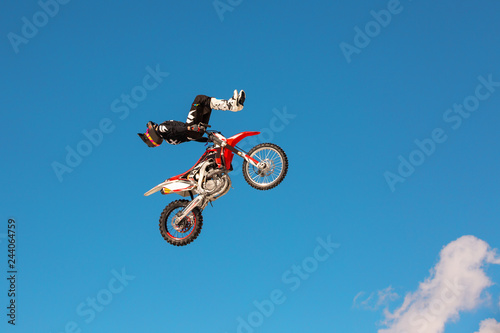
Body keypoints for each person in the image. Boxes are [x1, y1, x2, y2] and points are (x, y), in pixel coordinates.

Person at [138, 90, 245, 147]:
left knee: (206, 105)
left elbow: (191, 139)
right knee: (199, 99)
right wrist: (190, 128)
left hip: (197, 132)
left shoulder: (170, 141)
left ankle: (233, 104)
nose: (154, 125)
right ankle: (231, 105)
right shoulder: (161, 128)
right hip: (191, 128)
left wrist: (207, 139)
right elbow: (174, 129)